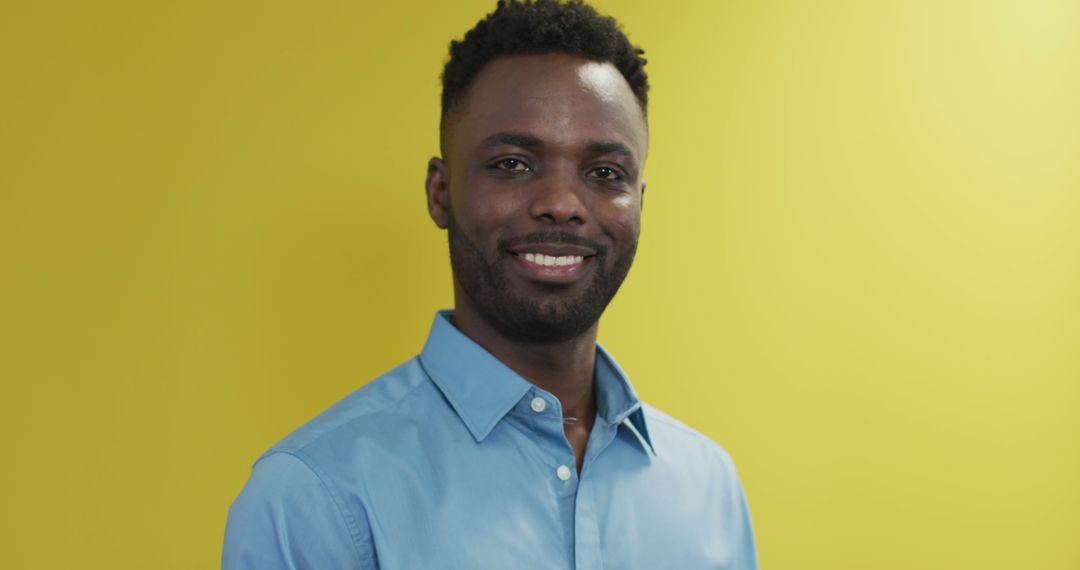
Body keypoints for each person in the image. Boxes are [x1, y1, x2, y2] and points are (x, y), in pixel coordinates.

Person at [222, 1, 758, 568]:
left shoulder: (710, 488)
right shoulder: (314, 498)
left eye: (604, 173)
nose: (560, 205)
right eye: (513, 164)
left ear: (639, 204)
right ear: (440, 191)